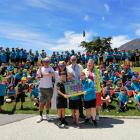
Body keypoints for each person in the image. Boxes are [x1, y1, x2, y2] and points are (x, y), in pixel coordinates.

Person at [36, 57, 55, 123]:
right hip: (42, 88)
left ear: (49, 62)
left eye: (47, 61)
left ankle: (47, 115)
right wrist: (39, 76)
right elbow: (37, 76)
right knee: (41, 103)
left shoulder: (51, 68)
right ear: (43, 62)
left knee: (48, 103)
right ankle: (40, 116)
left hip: (49, 88)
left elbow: (53, 75)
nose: (46, 63)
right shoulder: (40, 68)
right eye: (44, 61)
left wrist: (44, 74)